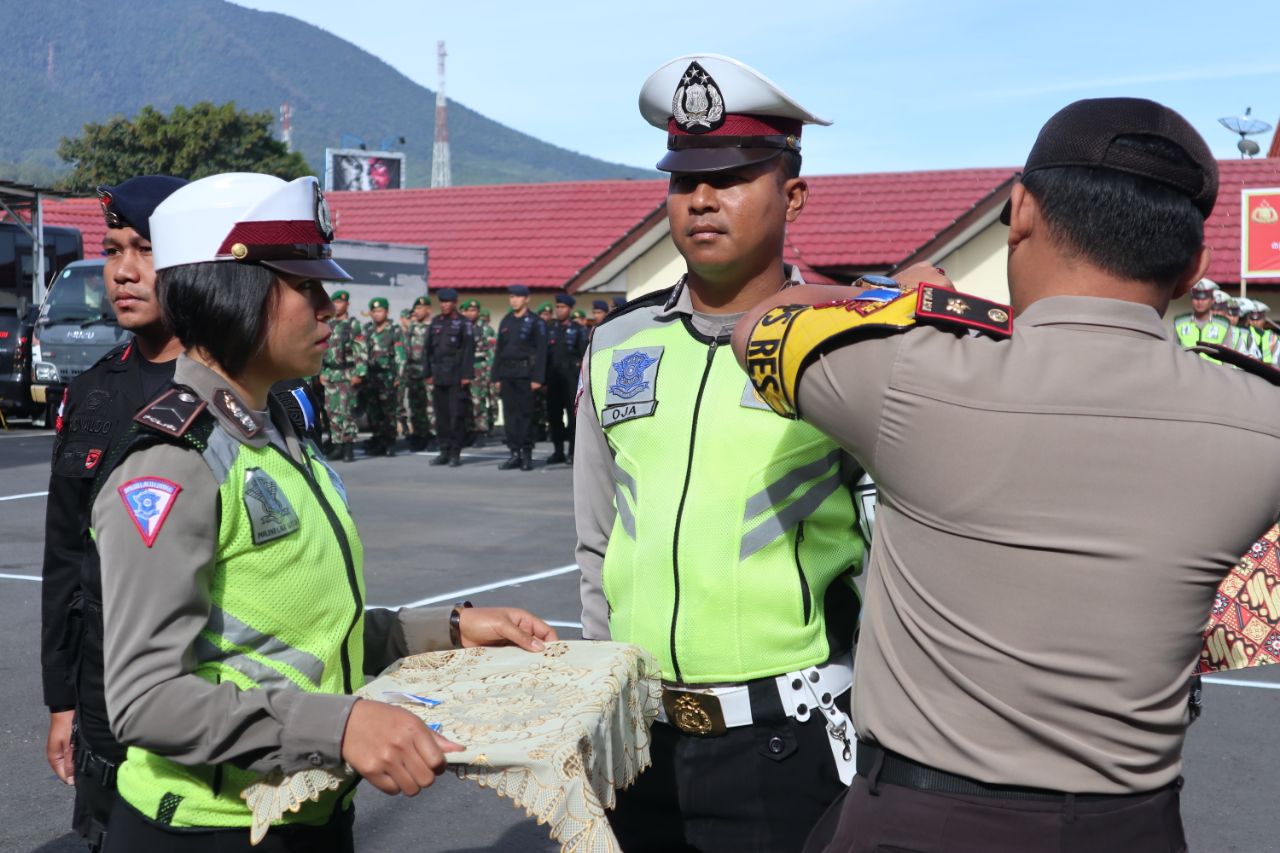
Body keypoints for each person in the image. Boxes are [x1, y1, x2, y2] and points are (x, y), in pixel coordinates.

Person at [733, 97, 1280, 853]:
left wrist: (904, 293)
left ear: (1019, 210)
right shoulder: (1261, 415)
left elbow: (759, 325)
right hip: (1132, 828)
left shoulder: (909, 376)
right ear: (1194, 267)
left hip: (920, 824)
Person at [89, 172, 557, 851]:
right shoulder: (174, 461)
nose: (327, 306)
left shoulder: (277, 433)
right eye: (303, 286)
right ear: (234, 293)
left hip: (306, 813)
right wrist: (339, 727)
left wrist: (447, 628)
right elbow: (145, 698)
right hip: (206, 830)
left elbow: (299, 640)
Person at [574, 54, 871, 852]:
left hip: (787, 745)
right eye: (682, 178)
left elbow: (895, 548)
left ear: (793, 194)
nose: (702, 198)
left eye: (735, 175)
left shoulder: (845, 345)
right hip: (639, 745)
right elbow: (597, 542)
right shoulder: (616, 344)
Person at [40, 175, 188, 852]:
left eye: (146, 251)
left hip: (205, 693)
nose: (123, 272)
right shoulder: (91, 391)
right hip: (103, 694)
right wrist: (61, 700)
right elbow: (66, 554)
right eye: (112, 249)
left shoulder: (243, 392)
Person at [494, 285, 546, 471]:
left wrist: (537, 378)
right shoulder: (506, 321)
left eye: (517, 297)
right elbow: (499, 350)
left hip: (526, 375)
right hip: (507, 375)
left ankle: (526, 454)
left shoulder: (535, 322)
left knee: (526, 415)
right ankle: (514, 453)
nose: (513, 300)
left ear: (526, 299)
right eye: (511, 297)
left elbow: (541, 352)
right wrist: (496, 377)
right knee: (510, 416)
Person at [424, 287, 475, 467]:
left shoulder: (463, 323)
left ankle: (455, 452)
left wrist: (467, 375)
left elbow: (469, 350)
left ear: (455, 303)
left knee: (456, 416)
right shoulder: (436, 322)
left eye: (448, 302)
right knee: (442, 417)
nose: (445, 305)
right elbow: (427, 350)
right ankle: (444, 451)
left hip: (456, 375)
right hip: (439, 375)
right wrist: (427, 373)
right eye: (442, 302)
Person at [318, 289, 367, 463]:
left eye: (341, 302)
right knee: (332, 412)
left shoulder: (353, 325)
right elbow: (323, 349)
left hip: (347, 373)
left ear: (347, 304)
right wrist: (322, 372)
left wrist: (359, 373)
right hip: (331, 373)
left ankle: (348, 447)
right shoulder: (328, 324)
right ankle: (337, 444)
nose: (338, 305)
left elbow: (360, 349)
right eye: (335, 302)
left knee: (347, 412)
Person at [544, 292, 586, 464]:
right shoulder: (550, 329)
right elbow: (544, 356)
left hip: (571, 379)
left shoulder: (578, 330)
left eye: (563, 307)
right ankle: (558, 451)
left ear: (570, 309)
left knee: (573, 417)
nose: (559, 310)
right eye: (558, 307)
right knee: (554, 416)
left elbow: (584, 356)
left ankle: (572, 452)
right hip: (553, 378)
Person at [362, 296, 405, 456]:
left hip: (387, 377)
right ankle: (378, 439)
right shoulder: (367, 330)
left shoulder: (394, 330)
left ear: (386, 312)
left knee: (389, 411)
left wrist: (399, 376)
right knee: (373, 411)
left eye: (380, 311)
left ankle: (390, 442)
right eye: (373, 311)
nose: (376, 314)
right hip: (371, 377)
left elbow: (400, 356)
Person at [1172, 278, 1233, 362]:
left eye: (1204, 298)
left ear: (1212, 300)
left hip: (1214, 374)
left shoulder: (1224, 325)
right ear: (1191, 299)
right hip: (1187, 373)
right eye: (1196, 298)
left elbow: (1228, 358)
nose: (1200, 302)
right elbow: (1173, 354)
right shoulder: (1179, 323)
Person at [403, 295, 436, 452]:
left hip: (428, 371)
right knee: (416, 406)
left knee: (430, 407)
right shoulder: (412, 327)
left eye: (420, 308)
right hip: (413, 372)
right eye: (416, 308)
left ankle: (433, 436)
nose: (417, 311)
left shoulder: (434, 327)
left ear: (428, 309)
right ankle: (419, 435)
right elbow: (406, 350)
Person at [461, 299, 496, 445]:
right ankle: (468, 431)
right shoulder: (460, 327)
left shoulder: (486, 329)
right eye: (468, 310)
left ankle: (481, 431)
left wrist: (489, 373)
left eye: (474, 310)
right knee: (465, 401)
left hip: (479, 368)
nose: (470, 313)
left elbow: (491, 353)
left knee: (478, 401)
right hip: (463, 369)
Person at [478, 307, 500, 434]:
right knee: (492, 399)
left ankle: (484, 425)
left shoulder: (481, 330)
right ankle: (490, 424)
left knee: (480, 399)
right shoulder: (490, 331)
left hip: (482, 370)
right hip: (490, 370)